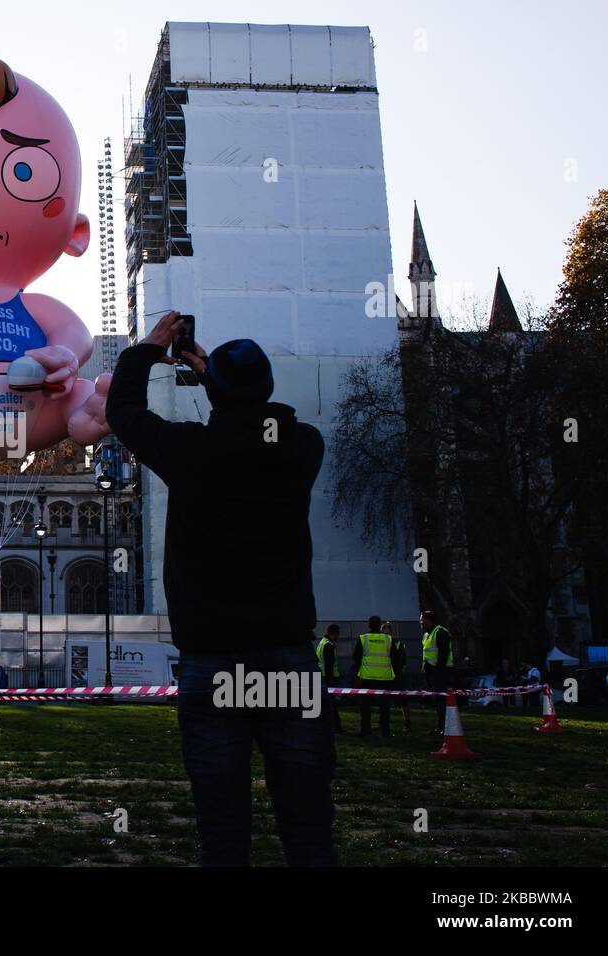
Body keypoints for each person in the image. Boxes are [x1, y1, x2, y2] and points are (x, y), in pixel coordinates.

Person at [106, 311, 334, 867]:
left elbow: (124, 412)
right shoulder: (303, 447)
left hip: (213, 665)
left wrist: (150, 350)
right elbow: (255, 424)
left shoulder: (191, 453)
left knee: (223, 831)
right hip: (287, 660)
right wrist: (215, 377)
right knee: (307, 828)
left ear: (217, 393)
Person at [353, 616, 395, 737]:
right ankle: (385, 730)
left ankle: (365, 729)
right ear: (379, 625)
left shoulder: (363, 638)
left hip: (367, 677)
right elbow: (394, 657)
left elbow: (356, 657)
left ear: (369, 625)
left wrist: (358, 672)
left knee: (365, 707)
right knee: (385, 707)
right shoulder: (389, 639)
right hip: (385, 677)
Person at [419, 610, 455, 735]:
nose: (421, 623)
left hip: (441, 672)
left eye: (422, 621)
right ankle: (440, 727)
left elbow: (443, 655)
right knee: (435, 700)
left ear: (429, 621)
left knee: (441, 701)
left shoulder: (440, 632)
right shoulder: (426, 635)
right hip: (431, 673)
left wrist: (438, 671)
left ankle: (444, 727)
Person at [315, 625, 342, 733]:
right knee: (332, 705)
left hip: (322, 677)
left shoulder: (322, 642)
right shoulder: (328, 645)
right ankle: (336, 726)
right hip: (328, 679)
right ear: (333, 633)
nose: (338, 637)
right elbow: (329, 665)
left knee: (326, 704)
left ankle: (330, 726)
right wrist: (331, 679)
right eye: (337, 634)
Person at [384, 622, 410, 732]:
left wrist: (400, 671)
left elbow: (403, 659)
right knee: (385, 700)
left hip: (397, 675)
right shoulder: (382, 643)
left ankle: (407, 721)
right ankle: (385, 723)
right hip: (385, 675)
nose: (385, 633)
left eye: (387, 631)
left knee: (402, 700)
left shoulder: (397, 643)